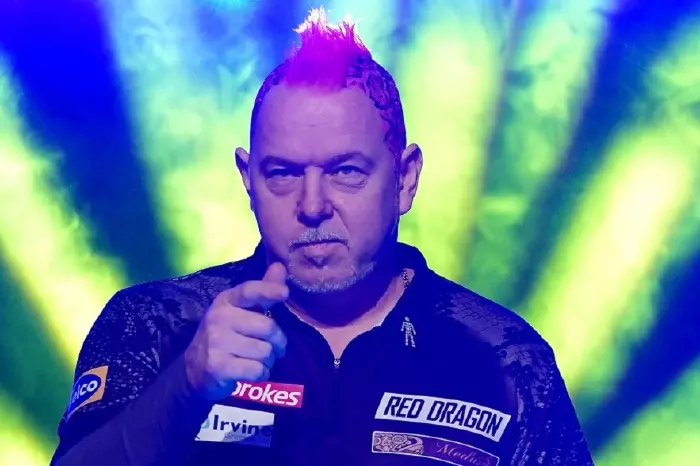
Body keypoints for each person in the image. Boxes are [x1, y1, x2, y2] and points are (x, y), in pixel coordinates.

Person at [51, 8, 594, 466]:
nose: (312, 206)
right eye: (283, 173)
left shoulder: (503, 357)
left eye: (346, 171)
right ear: (248, 180)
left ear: (405, 179)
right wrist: (184, 387)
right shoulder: (157, 325)